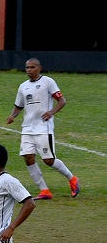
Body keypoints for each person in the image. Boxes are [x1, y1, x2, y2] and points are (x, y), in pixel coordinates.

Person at [6, 58, 79, 200]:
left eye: (32, 67)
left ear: (39, 68)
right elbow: (19, 106)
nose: (29, 70)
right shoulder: (23, 86)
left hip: (43, 128)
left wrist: (51, 112)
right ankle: (44, 190)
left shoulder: (48, 82)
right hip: (27, 128)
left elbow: (62, 101)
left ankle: (72, 179)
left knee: (48, 160)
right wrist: (12, 116)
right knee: (28, 157)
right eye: (27, 67)